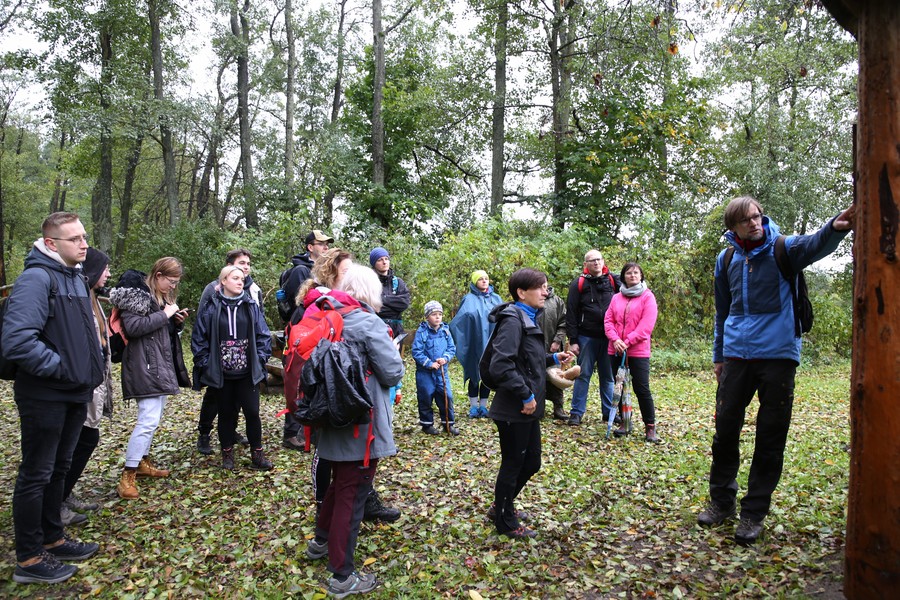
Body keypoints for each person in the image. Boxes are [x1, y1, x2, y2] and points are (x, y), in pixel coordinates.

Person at [698, 196, 855, 545]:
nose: (754, 223)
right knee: (725, 431)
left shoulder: (784, 248)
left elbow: (815, 244)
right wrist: (719, 356)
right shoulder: (725, 260)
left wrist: (835, 228)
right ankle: (721, 501)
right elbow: (722, 312)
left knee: (770, 436)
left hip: (778, 357)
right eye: (745, 220)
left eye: (757, 216)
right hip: (737, 356)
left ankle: (754, 512)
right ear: (733, 227)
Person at [2, 212, 103, 584]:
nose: (83, 244)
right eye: (74, 239)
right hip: (46, 393)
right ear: (50, 244)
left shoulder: (74, 276)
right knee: (36, 473)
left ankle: (53, 537)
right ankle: (28, 559)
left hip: (74, 391)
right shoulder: (36, 278)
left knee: (59, 468)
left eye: (84, 237)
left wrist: (80, 374)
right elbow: (17, 341)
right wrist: (61, 368)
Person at [304, 264, 404, 596]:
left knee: (338, 484)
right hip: (362, 426)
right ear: (372, 292)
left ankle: (320, 541)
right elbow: (392, 372)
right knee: (353, 491)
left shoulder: (329, 316)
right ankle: (342, 575)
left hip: (332, 418)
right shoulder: (366, 321)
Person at [291, 249, 401, 524]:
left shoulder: (345, 310)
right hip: (331, 398)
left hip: (352, 397)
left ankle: (355, 507)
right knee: (334, 461)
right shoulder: (321, 307)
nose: (352, 275)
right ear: (332, 276)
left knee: (354, 468)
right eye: (346, 271)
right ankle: (327, 513)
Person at [481, 268, 572, 538]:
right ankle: (504, 521)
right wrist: (526, 394)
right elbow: (501, 365)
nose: (546, 292)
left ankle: (502, 505)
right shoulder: (513, 319)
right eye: (541, 287)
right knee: (513, 463)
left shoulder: (529, 317)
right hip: (514, 407)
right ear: (522, 292)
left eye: (547, 287)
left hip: (527, 407)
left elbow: (528, 361)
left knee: (531, 462)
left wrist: (554, 359)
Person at [110, 257, 191, 500]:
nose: (173, 287)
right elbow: (134, 328)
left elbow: (157, 331)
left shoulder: (159, 298)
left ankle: (142, 462)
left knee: (152, 420)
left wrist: (174, 323)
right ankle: (128, 475)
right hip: (143, 366)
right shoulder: (137, 297)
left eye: (176, 283)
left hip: (157, 365)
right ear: (158, 276)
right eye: (171, 281)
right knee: (146, 421)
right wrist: (165, 314)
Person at [192, 265, 273, 471]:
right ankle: (227, 454)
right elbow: (199, 338)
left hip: (248, 373)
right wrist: (205, 363)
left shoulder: (250, 306)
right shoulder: (211, 307)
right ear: (223, 282)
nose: (240, 281)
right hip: (222, 374)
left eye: (241, 278)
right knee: (226, 414)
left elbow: (263, 335)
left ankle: (257, 455)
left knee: (252, 412)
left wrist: (261, 359)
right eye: (235, 278)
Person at [60, 248, 114, 526]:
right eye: (105, 269)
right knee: (78, 441)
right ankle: (57, 500)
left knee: (84, 438)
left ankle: (63, 494)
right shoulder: (79, 298)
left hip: (95, 380)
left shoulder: (93, 297)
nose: (108, 274)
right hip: (81, 382)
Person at [281, 230, 334, 451]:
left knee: (312, 379)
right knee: (298, 379)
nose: (325, 247)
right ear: (310, 247)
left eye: (327, 244)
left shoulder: (320, 270)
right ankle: (292, 433)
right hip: (302, 331)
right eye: (321, 244)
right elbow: (300, 303)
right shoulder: (301, 271)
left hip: (317, 330)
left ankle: (307, 429)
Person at [604, 262, 660, 443]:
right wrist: (615, 340)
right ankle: (625, 422)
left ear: (641, 276)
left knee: (641, 388)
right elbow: (608, 320)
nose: (633, 275)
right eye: (629, 273)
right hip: (616, 349)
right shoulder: (616, 298)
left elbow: (646, 326)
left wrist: (627, 342)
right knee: (619, 386)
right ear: (623, 277)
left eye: (636, 273)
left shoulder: (648, 297)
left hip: (638, 351)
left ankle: (650, 427)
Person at [565, 250, 620, 426]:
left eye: (598, 260)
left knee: (608, 376)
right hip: (586, 337)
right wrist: (573, 340)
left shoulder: (613, 281)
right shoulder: (578, 284)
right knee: (582, 375)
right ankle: (576, 413)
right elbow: (571, 313)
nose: (596, 263)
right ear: (585, 264)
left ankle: (609, 413)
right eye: (592, 260)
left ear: (603, 261)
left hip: (609, 338)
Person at [449, 270, 503, 418]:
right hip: (473, 342)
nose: (484, 281)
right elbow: (459, 321)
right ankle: (473, 406)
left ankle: (483, 407)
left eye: (486, 278)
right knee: (474, 372)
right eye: (480, 279)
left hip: (492, 344)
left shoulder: (496, 299)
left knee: (487, 374)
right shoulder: (468, 299)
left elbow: (504, 319)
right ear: (474, 282)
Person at [412, 301, 458, 435]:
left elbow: (451, 348)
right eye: (434, 314)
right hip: (425, 373)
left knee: (446, 396)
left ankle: (448, 423)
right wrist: (429, 363)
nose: (438, 317)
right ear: (427, 317)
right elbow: (416, 352)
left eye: (440, 314)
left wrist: (445, 358)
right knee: (426, 395)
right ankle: (427, 424)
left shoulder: (445, 331)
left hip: (442, 372)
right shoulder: (422, 332)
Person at [537, 285, 569, 420]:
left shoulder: (557, 301)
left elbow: (564, 322)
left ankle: (558, 407)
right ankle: (539, 407)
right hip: (536, 345)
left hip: (552, 346)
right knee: (537, 375)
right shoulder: (532, 299)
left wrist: (557, 341)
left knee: (555, 377)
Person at [369, 247, 411, 338]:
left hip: (396, 332)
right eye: (380, 260)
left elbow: (404, 303)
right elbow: (370, 307)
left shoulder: (398, 282)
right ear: (374, 263)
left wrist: (382, 299)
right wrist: (394, 305)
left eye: (386, 259)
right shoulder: (369, 283)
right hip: (375, 330)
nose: (384, 262)